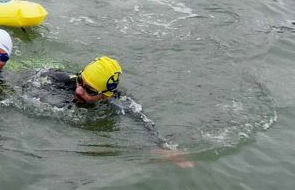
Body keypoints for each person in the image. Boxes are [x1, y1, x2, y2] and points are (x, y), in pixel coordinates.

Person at [16, 56, 187, 162]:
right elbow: (29, 80)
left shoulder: (120, 102)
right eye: (80, 81)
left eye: (89, 90)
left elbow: (143, 122)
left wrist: (163, 147)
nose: (79, 91)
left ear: (106, 96)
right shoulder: (61, 80)